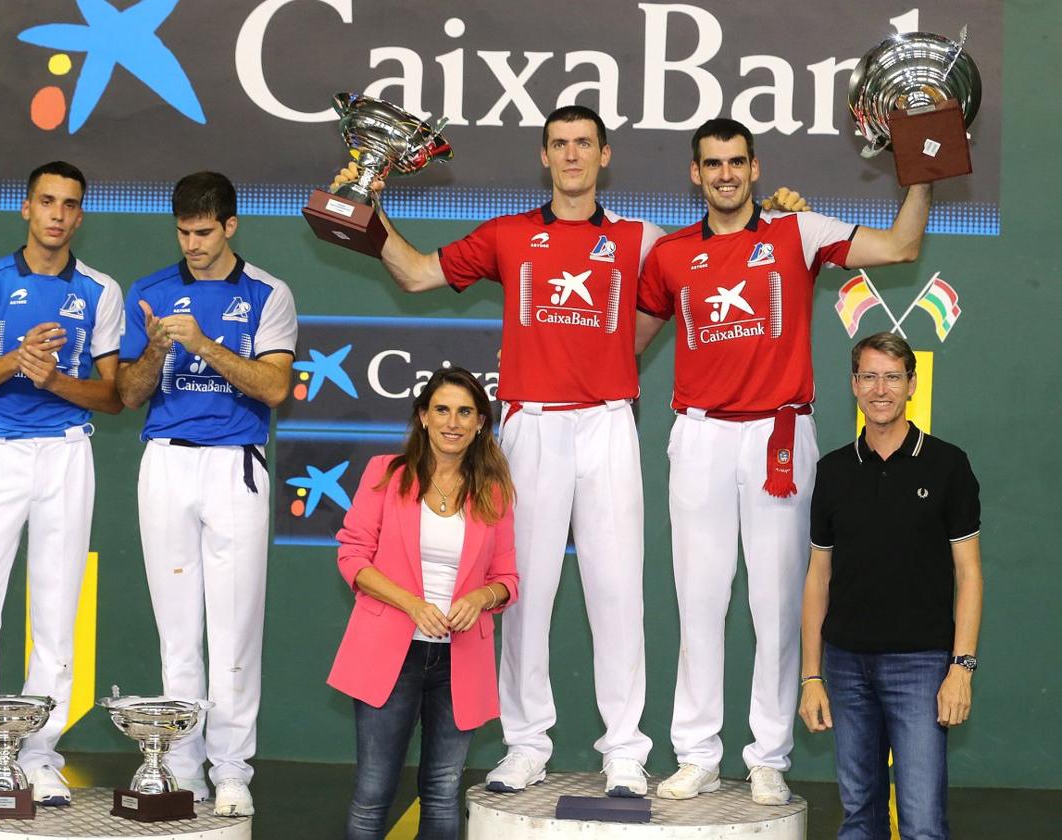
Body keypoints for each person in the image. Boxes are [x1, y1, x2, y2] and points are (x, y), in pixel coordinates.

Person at [334, 106, 807, 797]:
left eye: (584, 144)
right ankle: (526, 742)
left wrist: (782, 208)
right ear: (545, 156)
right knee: (523, 591)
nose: (572, 155)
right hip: (530, 426)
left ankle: (625, 752)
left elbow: (721, 251)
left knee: (617, 591)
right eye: (560, 145)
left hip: (609, 424)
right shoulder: (509, 234)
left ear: (604, 155)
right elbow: (411, 273)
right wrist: (367, 202)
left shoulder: (644, 240)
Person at [637, 117, 933, 805]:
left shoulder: (796, 233)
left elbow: (901, 244)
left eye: (736, 161)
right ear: (695, 173)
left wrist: (919, 173)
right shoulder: (671, 254)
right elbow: (627, 345)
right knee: (699, 601)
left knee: (777, 602)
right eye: (712, 163)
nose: (726, 174)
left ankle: (768, 755)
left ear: (755, 166)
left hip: (779, 435)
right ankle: (696, 753)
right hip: (702, 436)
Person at [0, 161, 124, 807]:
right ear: (26, 208)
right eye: (47, 201)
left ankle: (41, 754)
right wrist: (17, 359)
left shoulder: (100, 291)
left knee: (56, 611)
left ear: (80, 215)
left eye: (70, 204)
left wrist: (54, 380)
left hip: (67, 457)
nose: (57, 214)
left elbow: (114, 396)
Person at [117, 171, 297, 817]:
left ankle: (231, 771)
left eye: (203, 232)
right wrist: (157, 350)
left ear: (229, 225)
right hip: (165, 465)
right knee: (177, 634)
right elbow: (129, 395)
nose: (192, 245)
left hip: (234, 470)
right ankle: (182, 769)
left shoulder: (269, 293)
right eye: (183, 232)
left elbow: (274, 388)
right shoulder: (149, 292)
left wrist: (203, 344)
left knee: (234, 630)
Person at [799, 332, 982, 840]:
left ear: (911, 384)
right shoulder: (832, 471)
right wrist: (811, 676)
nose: (881, 389)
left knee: (923, 823)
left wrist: (961, 668)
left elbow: (969, 573)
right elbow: (819, 575)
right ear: (854, 385)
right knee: (859, 820)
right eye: (870, 376)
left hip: (922, 667)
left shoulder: (948, 465)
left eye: (892, 377)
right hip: (846, 665)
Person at [328, 367, 519, 840]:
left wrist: (481, 595)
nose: (452, 422)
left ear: (480, 423)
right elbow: (352, 557)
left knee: (441, 792)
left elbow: (508, 580)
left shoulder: (494, 490)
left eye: (465, 412)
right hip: (389, 653)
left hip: (461, 659)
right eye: (442, 410)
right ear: (423, 417)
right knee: (372, 795)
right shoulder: (385, 473)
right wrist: (412, 605)